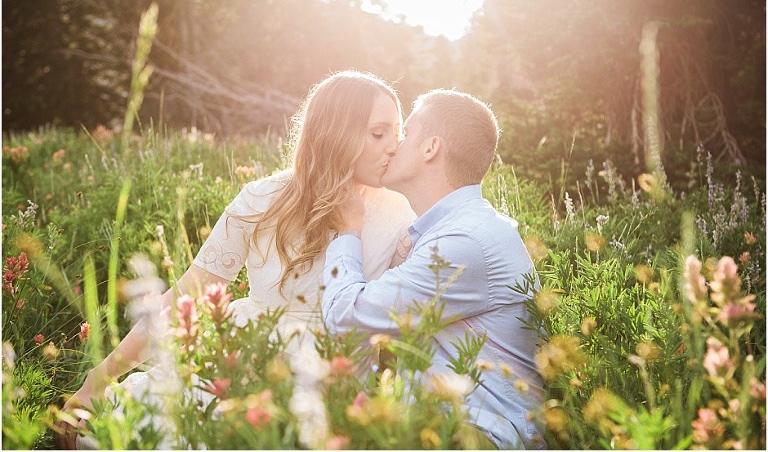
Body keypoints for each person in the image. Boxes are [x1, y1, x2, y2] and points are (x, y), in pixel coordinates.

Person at [54, 70, 416, 449]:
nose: (394, 145)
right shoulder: (262, 198)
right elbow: (186, 296)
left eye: (398, 131)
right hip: (248, 358)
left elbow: (402, 324)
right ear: (335, 134)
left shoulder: (402, 214)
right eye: (379, 133)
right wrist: (98, 380)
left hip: (333, 380)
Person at [322, 89, 546, 449]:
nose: (394, 145)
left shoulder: (465, 241)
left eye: (405, 133)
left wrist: (348, 229)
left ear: (431, 148)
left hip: (481, 436)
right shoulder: (454, 230)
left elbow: (343, 316)